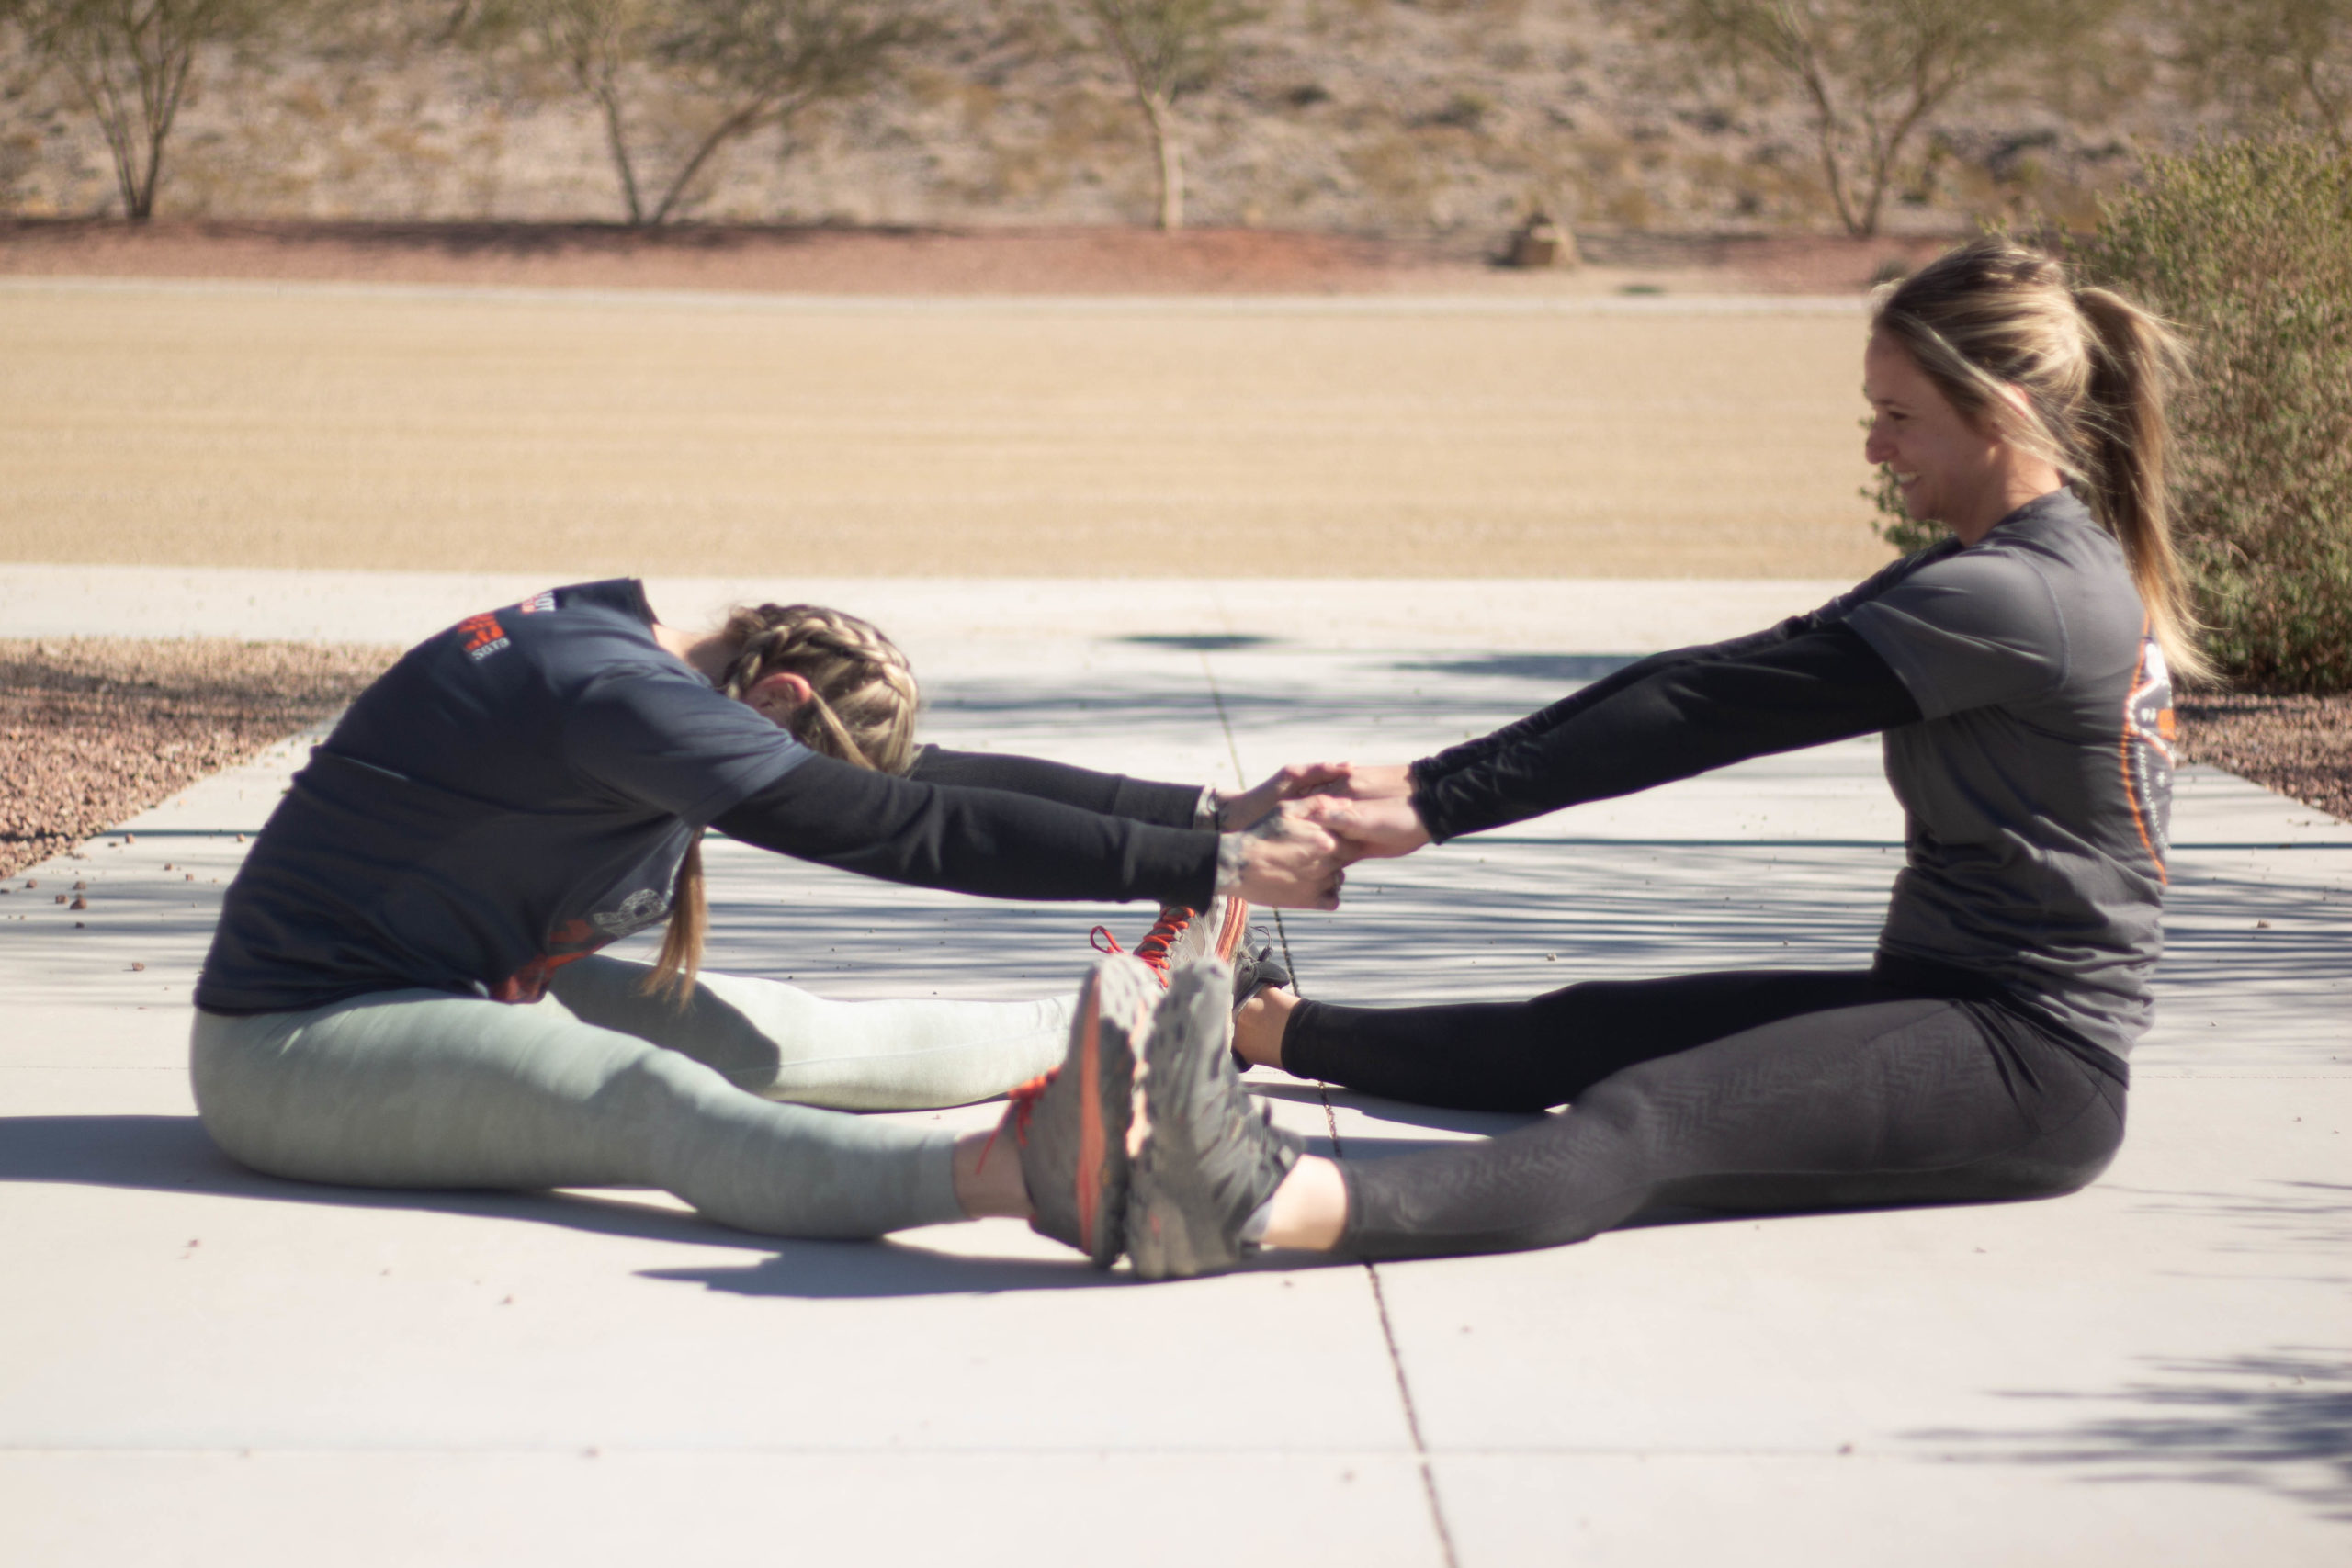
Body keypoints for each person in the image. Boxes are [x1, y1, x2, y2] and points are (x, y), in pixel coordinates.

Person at [1088, 237, 2201, 1280]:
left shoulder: (2016, 595)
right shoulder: (2010, 569)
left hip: (2028, 1061)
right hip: (1944, 1003)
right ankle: (1256, 1025)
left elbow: (1705, 710)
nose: (1874, 447)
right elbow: (1709, 672)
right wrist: (1427, 781)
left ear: (1998, 410)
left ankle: (1248, 1203)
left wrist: (1438, 805)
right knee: (1579, 1032)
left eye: (1897, 416)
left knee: (1645, 1120)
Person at [190, 583, 1339, 1263]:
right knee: (654, 1102)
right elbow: (897, 828)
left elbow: (935, 781)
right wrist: (1213, 861)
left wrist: (1205, 819)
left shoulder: (653, 673)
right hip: (297, 1046)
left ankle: (1151, 1012)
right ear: (781, 696)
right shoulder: (620, 695)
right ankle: (1020, 1177)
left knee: (779, 1043)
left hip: (459, 983)